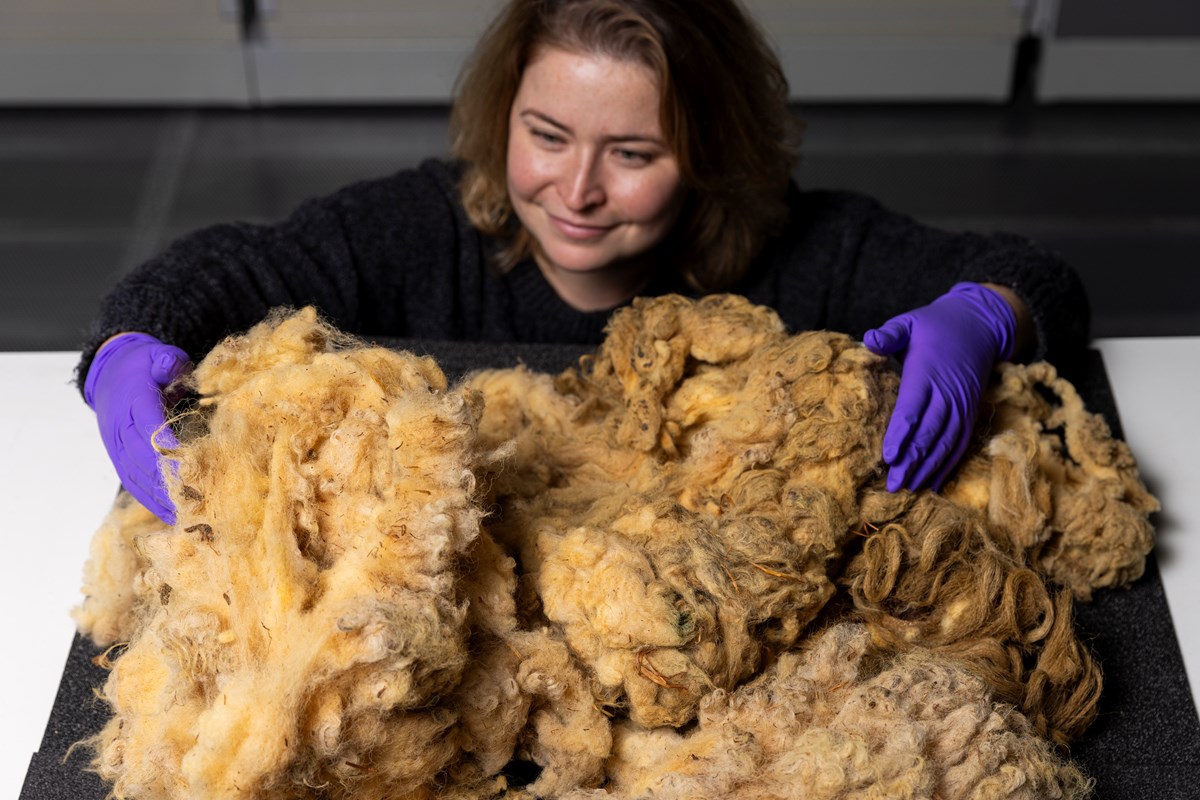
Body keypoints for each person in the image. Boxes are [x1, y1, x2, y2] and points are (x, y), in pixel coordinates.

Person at [78, 0, 1089, 526]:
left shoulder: (800, 249)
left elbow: (1026, 269)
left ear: (710, 156)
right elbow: (229, 267)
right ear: (502, 114)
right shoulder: (421, 228)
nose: (577, 188)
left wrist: (980, 314)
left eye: (635, 154)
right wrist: (129, 346)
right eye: (548, 134)